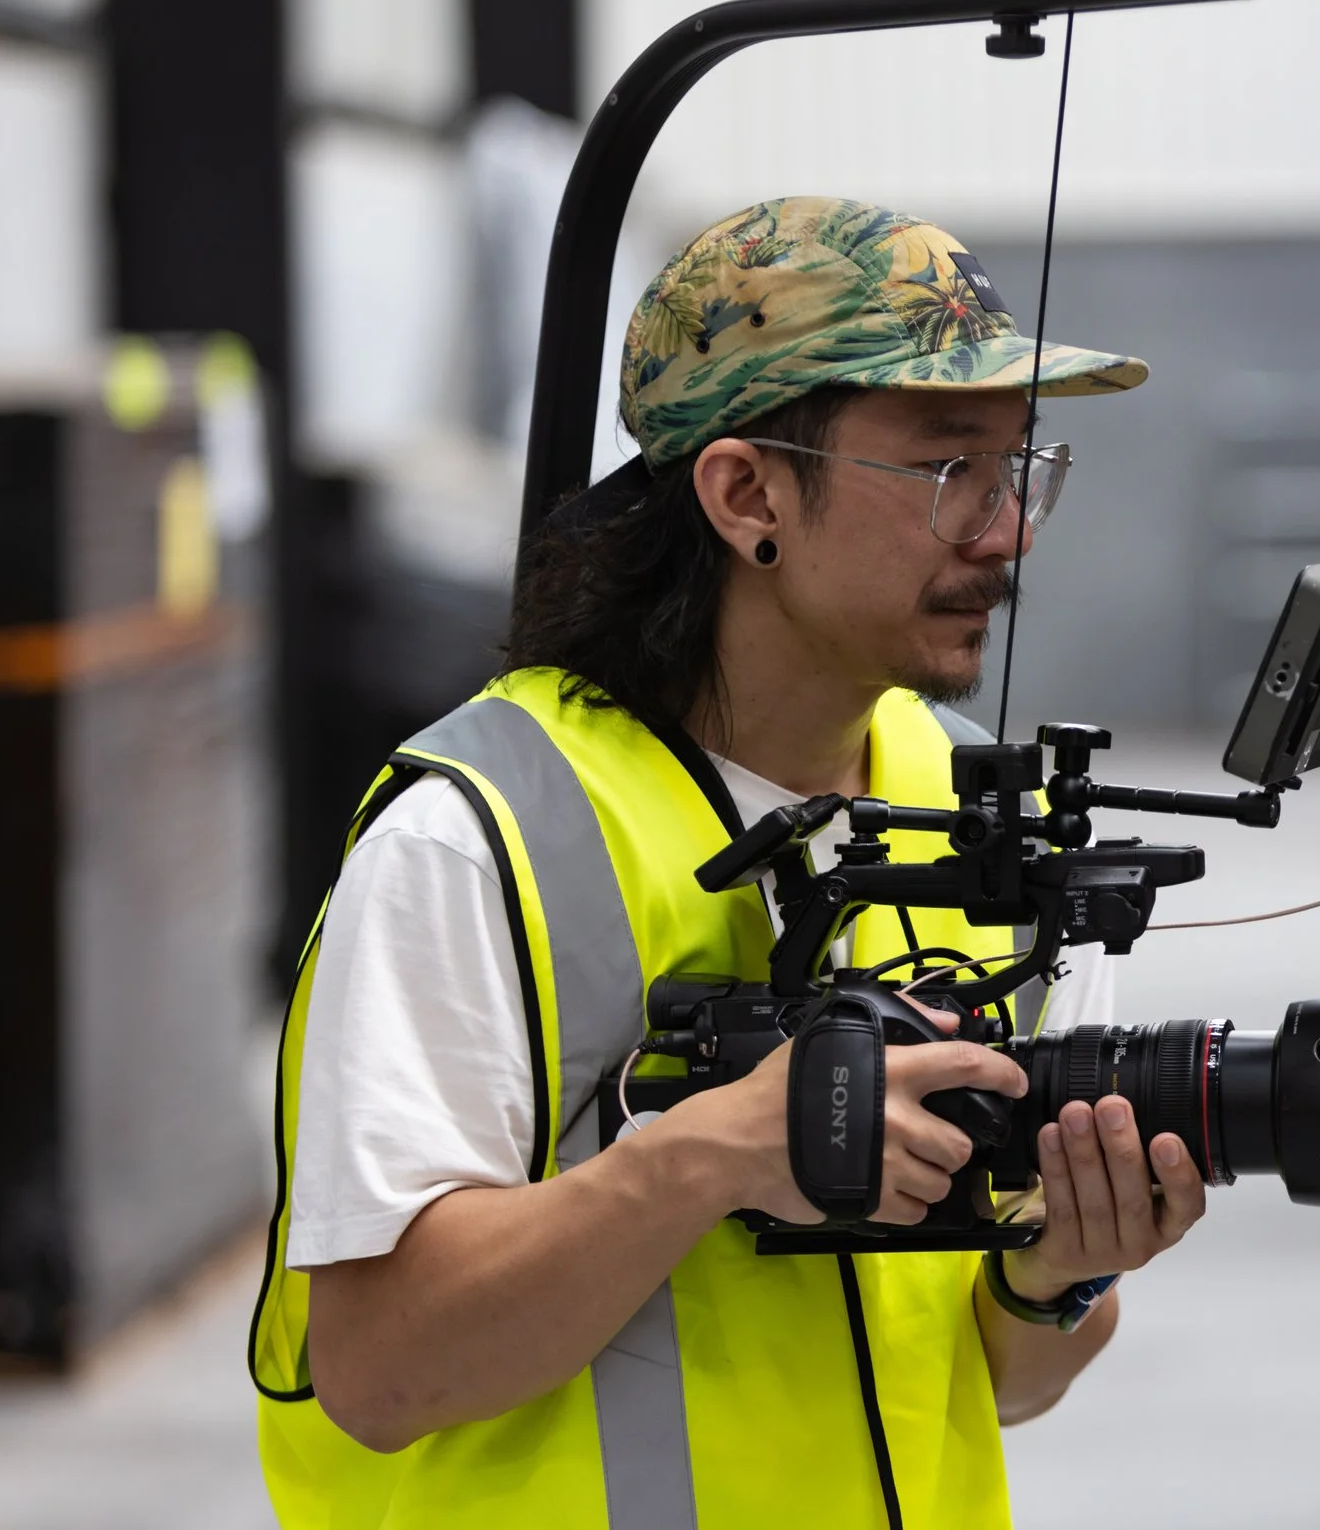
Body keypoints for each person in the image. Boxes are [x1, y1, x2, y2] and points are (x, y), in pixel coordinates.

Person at [249, 197, 1208, 1530]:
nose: (1006, 531)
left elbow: (999, 1380)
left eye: (1020, 468)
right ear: (748, 492)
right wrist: (710, 1154)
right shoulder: (481, 839)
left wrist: (1060, 1275)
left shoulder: (983, 826)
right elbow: (378, 1365)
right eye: (949, 474)